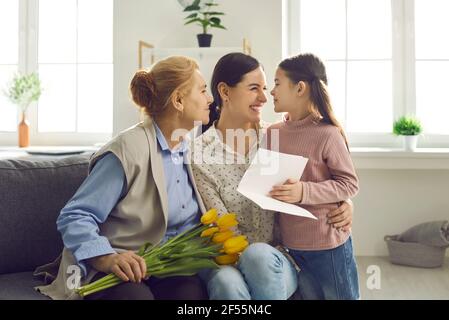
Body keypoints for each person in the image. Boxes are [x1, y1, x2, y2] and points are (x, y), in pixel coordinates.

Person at [34, 55, 214, 300]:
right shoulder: (128, 149)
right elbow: (75, 215)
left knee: (191, 297)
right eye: (203, 90)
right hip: (113, 264)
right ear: (179, 100)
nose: (210, 98)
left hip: (166, 266)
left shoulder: (189, 148)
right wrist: (107, 258)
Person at [191, 52, 354, 300]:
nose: (264, 97)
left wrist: (345, 203)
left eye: (267, 88)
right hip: (229, 258)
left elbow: (325, 175)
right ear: (225, 92)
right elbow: (221, 226)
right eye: (254, 88)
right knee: (226, 282)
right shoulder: (200, 153)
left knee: (260, 258)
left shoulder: (279, 135)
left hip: (275, 258)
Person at [267, 53, 360, 300]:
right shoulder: (272, 133)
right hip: (291, 246)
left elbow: (349, 183)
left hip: (328, 246)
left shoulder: (328, 134)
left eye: (277, 83)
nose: (271, 91)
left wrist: (303, 192)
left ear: (300, 88)